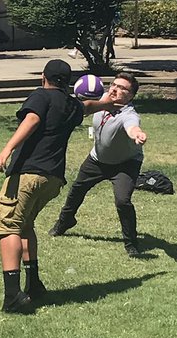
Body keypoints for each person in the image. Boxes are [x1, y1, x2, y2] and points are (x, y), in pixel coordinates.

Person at [0, 59, 115, 313]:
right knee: (25, 225)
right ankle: (34, 284)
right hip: (53, 178)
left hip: (28, 173)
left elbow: (32, 119)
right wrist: (108, 103)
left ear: (43, 77)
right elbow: (87, 106)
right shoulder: (70, 105)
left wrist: (7, 149)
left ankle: (13, 296)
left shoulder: (41, 96)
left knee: (8, 226)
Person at [48, 70, 148, 257]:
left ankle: (131, 243)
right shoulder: (101, 100)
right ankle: (65, 221)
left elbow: (132, 126)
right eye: (114, 85)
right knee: (77, 189)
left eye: (122, 88)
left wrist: (137, 134)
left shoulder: (128, 114)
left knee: (123, 201)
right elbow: (83, 106)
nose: (114, 89)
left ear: (131, 96)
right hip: (97, 159)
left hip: (125, 164)